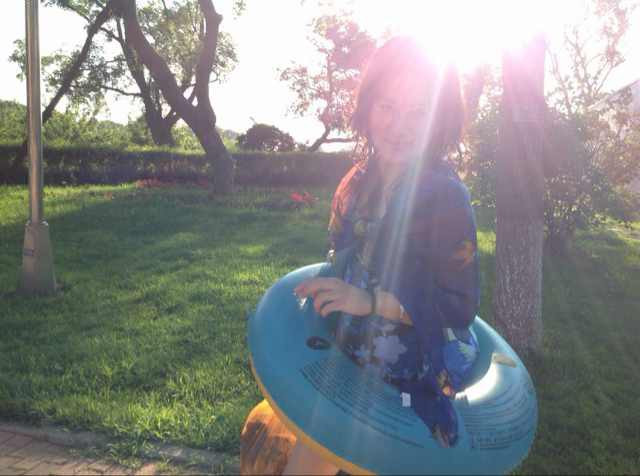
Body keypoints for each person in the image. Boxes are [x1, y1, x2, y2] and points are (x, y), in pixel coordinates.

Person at [286, 36, 480, 475]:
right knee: (312, 444)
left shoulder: (447, 198)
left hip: (418, 353)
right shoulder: (357, 182)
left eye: (418, 112)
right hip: (353, 338)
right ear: (368, 106)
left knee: (342, 445)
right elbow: (341, 253)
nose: (399, 126)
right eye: (387, 106)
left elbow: (457, 305)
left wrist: (370, 301)